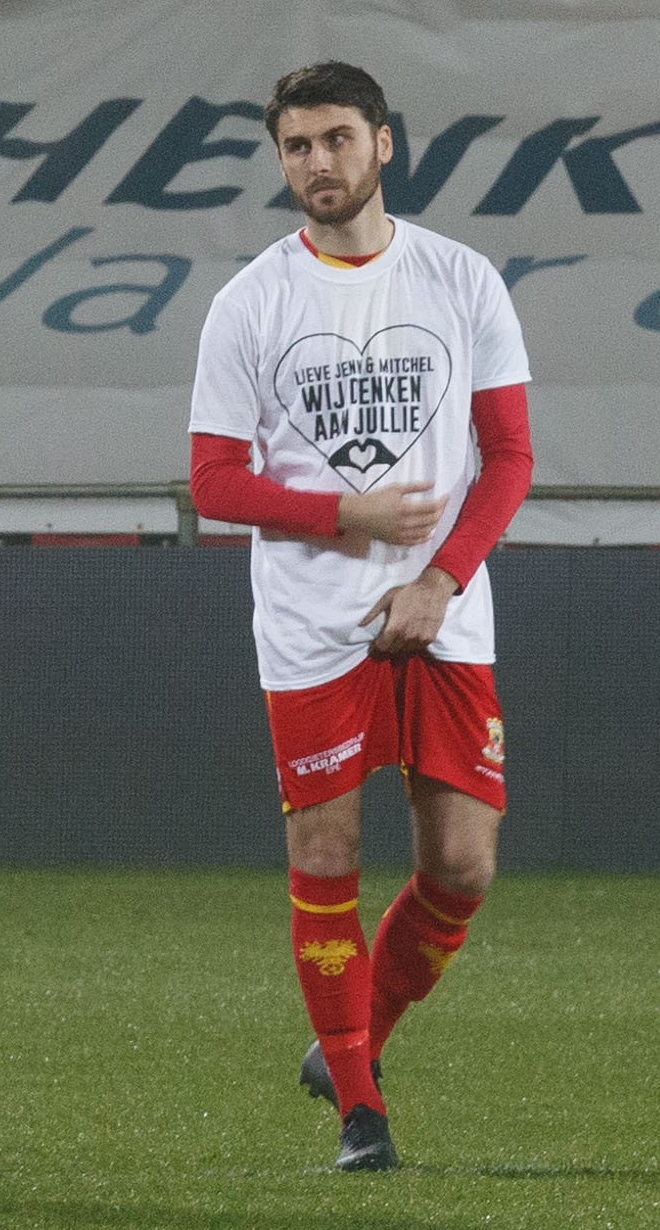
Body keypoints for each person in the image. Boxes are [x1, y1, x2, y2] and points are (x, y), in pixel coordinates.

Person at [187, 62, 534, 1172]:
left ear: (383, 143)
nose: (317, 162)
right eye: (296, 146)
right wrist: (342, 511)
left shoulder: (460, 279)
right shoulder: (250, 303)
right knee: (326, 854)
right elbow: (212, 480)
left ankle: (350, 1044)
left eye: (336, 138)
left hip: (444, 615)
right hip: (311, 625)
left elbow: (509, 457)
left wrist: (441, 580)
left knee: (462, 865)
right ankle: (359, 1114)